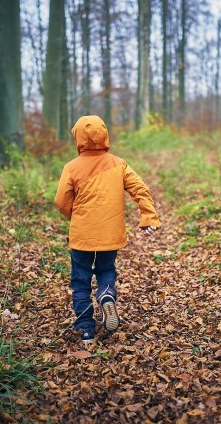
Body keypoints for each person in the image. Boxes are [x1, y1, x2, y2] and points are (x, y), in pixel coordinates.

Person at [54, 115, 160, 345]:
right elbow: (140, 189)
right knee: (106, 269)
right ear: (105, 134)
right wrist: (148, 216)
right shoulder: (119, 164)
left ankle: (86, 330)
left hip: (82, 236)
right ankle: (107, 293)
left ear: (78, 137)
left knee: (80, 281)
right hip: (110, 234)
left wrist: (76, 216)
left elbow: (61, 201)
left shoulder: (71, 168)